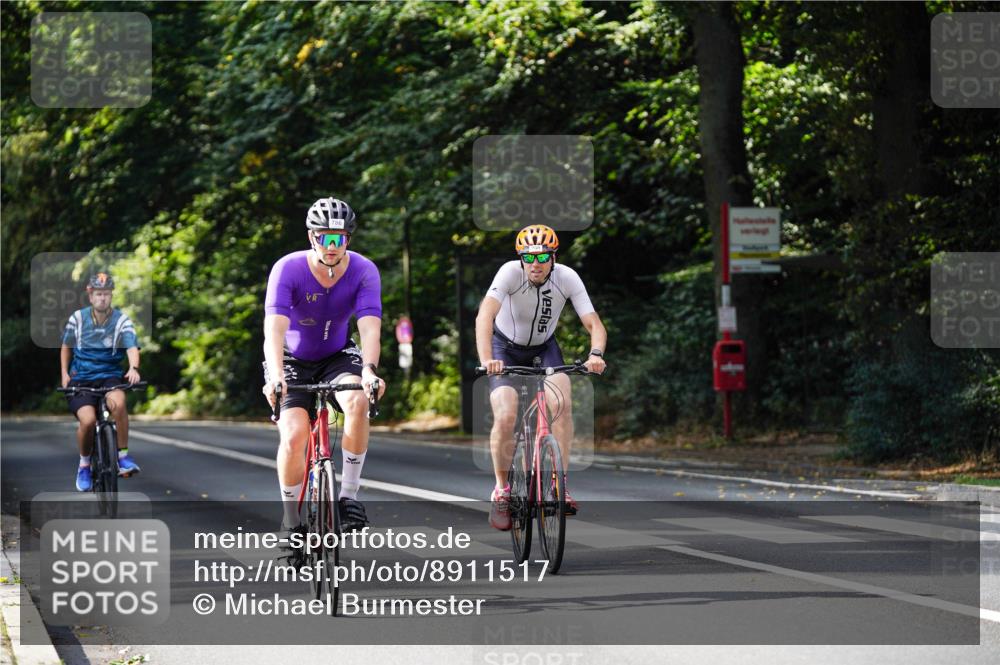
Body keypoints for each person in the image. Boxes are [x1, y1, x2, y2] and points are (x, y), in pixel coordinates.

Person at [262, 197, 386, 543]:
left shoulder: (364, 270)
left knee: (359, 402)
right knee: (294, 434)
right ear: (310, 237)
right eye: (324, 238)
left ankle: (348, 496)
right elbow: (273, 330)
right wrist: (275, 377)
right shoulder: (287, 269)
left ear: (349, 238)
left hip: (337, 355)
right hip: (291, 359)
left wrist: (370, 371)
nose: (332, 247)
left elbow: (370, 328)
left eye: (340, 238)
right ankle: (291, 522)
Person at [475, 224, 607, 530]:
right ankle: (501, 490)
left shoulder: (567, 277)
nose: (535, 263)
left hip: (544, 348)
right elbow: (485, 316)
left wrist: (596, 354)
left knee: (561, 401)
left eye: (543, 256)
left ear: (553, 257)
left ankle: (559, 484)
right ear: (520, 257)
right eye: (529, 256)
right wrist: (487, 360)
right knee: (507, 414)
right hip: (503, 348)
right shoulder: (509, 273)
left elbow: (594, 323)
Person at [60, 272, 142, 491]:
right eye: (98, 294)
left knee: (119, 403)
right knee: (87, 421)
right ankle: (84, 465)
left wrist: (134, 367)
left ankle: (122, 457)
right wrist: (65, 373)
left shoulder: (121, 320)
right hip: (82, 378)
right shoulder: (77, 319)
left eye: (106, 294)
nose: (102, 298)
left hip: (109, 376)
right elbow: (66, 346)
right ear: (90, 296)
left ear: (111, 296)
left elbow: (132, 346)